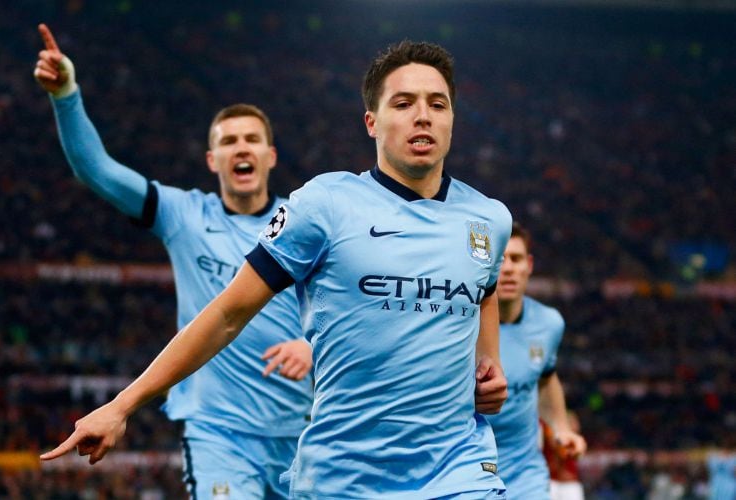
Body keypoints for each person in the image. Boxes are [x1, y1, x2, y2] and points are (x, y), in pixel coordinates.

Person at [40, 39, 512, 499]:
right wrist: (123, 405)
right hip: (332, 470)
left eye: (438, 104)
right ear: (371, 121)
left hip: (457, 468)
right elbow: (226, 313)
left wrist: (487, 364)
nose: (423, 115)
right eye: (404, 102)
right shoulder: (316, 207)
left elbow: (483, 289)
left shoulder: (488, 219)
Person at [33, 24, 313, 500]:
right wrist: (66, 95)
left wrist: (312, 344)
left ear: (270, 156)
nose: (241, 147)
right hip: (218, 436)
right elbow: (95, 170)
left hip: (304, 435)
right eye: (229, 141)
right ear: (212, 159)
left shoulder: (306, 221)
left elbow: (347, 308)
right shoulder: (183, 213)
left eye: (251, 139)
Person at [483, 222, 587, 499]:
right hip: (469, 470)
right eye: (499, 260)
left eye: (516, 259)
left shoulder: (549, 323)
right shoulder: (460, 326)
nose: (507, 269)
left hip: (526, 475)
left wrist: (561, 428)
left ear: (529, 265)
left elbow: (545, 378)